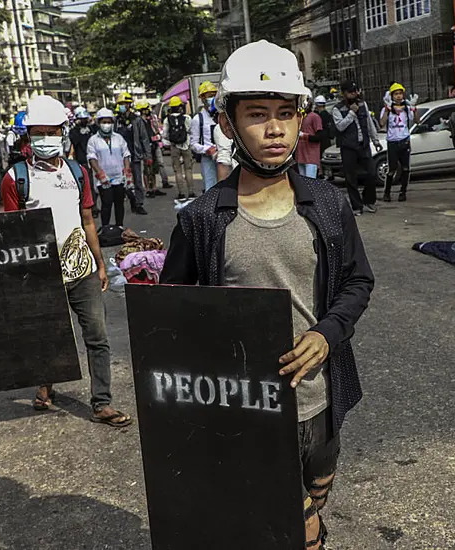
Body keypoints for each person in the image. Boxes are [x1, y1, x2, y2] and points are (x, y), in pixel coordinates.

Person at [160, 40, 374, 550]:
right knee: (283, 523)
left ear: (301, 121)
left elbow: (357, 282)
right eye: (257, 114)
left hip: (319, 399)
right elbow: (170, 315)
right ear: (229, 124)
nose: (275, 128)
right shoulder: (203, 218)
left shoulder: (326, 205)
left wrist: (327, 333)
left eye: (285, 113)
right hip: (246, 409)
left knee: (314, 501)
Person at [0, 95, 132, 428]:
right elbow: (11, 233)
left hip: (82, 270)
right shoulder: (15, 178)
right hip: (41, 273)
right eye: (37, 132)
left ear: (63, 132)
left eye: (51, 131)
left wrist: (101, 264)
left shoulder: (77, 172)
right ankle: (45, 387)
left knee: (97, 336)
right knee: (47, 335)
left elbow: (88, 220)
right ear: (28, 136)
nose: (44, 139)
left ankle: (101, 402)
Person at [332, 80, 382, 215]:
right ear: (344, 94)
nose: (354, 94)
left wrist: (375, 140)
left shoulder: (362, 104)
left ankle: (369, 200)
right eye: (350, 92)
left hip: (363, 145)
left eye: (355, 91)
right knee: (351, 178)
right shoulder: (337, 109)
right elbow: (340, 126)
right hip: (348, 146)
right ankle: (356, 206)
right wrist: (351, 114)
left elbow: (369, 123)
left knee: (372, 173)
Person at [87, 108, 132, 227]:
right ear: (98, 123)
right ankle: (105, 228)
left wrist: (127, 172)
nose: (106, 125)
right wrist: (100, 173)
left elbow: (126, 154)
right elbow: (92, 158)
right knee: (106, 204)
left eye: (109, 122)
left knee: (119, 203)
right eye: (104, 122)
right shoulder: (93, 140)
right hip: (104, 178)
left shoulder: (118, 138)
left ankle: (119, 227)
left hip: (119, 177)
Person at [114, 92, 150, 215]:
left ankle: (139, 204)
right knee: (124, 182)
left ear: (129, 104)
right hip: (120, 157)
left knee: (138, 181)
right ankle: (132, 200)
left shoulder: (137, 120)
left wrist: (147, 155)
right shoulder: (116, 120)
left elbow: (144, 138)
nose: (122, 106)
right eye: (120, 104)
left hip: (134, 155)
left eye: (124, 103)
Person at [379, 82, 416, 202]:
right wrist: (387, 109)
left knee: (406, 168)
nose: (398, 96)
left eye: (400, 93)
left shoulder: (406, 108)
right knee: (392, 169)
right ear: (392, 95)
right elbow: (382, 123)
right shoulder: (388, 108)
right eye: (396, 94)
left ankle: (403, 192)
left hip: (404, 140)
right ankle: (387, 193)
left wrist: (414, 109)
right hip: (393, 142)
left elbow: (417, 121)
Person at [162, 96, 196, 200]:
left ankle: (181, 193)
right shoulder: (187, 118)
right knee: (188, 170)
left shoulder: (167, 120)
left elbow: (165, 134)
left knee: (178, 171)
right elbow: (191, 131)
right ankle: (191, 192)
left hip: (174, 147)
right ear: (180, 107)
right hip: (186, 146)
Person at [136, 100, 168, 198]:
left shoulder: (149, 120)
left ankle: (154, 187)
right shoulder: (139, 122)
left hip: (153, 146)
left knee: (154, 169)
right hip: (146, 149)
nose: (148, 111)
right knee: (147, 170)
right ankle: (148, 189)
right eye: (146, 109)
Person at [191, 80, 220, 191]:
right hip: (208, 159)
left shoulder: (222, 116)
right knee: (211, 186)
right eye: (209, 95)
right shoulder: (198, 119)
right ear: (202, 98)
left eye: (214, 95)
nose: (212, 97)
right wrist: (207, 149)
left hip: (224, 157)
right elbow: (193, 144)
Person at [69, 107, 98, 215]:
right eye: (82, 119)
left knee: (95, 185)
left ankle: (95, 205)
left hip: (94, 160)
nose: (84, 121)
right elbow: (74, 143)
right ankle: (92, 207)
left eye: (85, 119)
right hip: (82, 161)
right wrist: (78, 131)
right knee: (88, 186)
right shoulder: (74, 132)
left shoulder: (91, 129)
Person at [296, 96, 324, 179]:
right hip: (300, 155)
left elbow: (319, 136)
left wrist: (304, 135)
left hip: (311, 156)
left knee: (310, 182)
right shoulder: (299, 118)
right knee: (303, 183)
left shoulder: (315, 117)